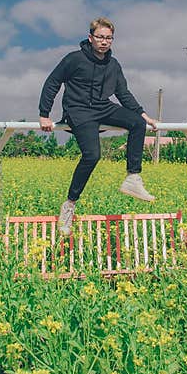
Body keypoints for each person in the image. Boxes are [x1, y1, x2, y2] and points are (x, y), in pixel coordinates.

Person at [39, 17, 158, 236]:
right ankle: (69, 205)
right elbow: (52, 82)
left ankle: (133, 178)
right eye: (100, 37)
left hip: (103, 107)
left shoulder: (113, 65)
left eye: (108, 38)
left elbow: (123, 93)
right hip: (78, 110)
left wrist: (143, 114)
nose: (104, 41)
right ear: (91, 37)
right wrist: (44, 114)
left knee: (137, 123)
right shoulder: (73, 59)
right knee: (92, 155)